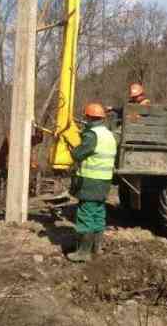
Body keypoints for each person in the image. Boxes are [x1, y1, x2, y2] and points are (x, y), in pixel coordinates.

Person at [66, 103, 117, 263]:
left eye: (85, 117)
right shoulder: (108, 134)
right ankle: (97, 248)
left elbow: (78, 154)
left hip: (90, 181)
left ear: (89, 118)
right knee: (98, 213)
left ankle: (83, 252)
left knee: (86, 214)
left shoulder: (92, 135)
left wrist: (71, 147)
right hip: (104, 181)